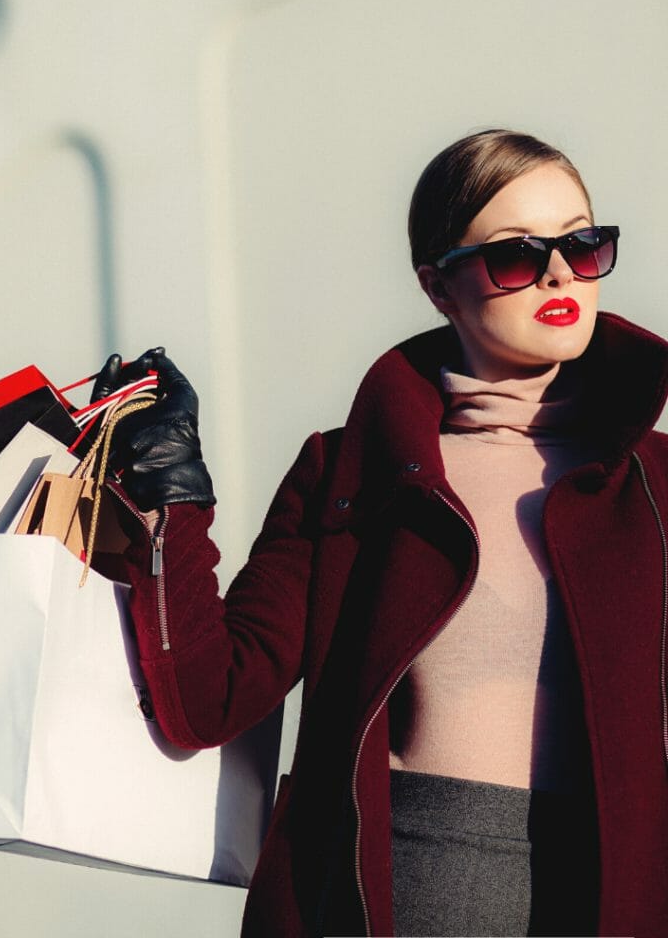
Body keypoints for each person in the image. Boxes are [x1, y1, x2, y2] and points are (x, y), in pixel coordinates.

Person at [93, 129, 668, 937]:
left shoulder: (656, 484)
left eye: (583, 244)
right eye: (514, 256)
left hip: (613, 900)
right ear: (439, 286)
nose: (557, 274)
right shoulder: (352, 473)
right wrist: (167, 499)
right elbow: (208, 699)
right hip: (395, 899)